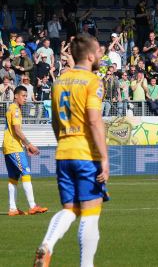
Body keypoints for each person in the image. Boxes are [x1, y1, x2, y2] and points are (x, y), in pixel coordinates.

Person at [35, 33, 109, 267]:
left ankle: (47, 244)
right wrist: (105, 157)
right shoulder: (93, 81)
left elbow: (55, 122)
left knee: (70, 208)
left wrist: (64, 143)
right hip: (86, 154)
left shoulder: (59, 82)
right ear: (89, 55)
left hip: (64, 152)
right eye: (98, 51)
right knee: (90, 212)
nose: (100, 54)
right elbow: (95, 120)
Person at [4, 86, 48, 217]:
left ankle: (12, 208)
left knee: (13, 178)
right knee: (26, 172)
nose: (25, 98)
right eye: (23, 95)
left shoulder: (12, 108)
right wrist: (29, 144)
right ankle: (33, 206)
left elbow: (14, 130)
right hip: (13, 147)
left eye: (26, 96)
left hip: (9, 146)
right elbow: (17, 130)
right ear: (16, 96)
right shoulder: (15, 109)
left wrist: (26, 146)